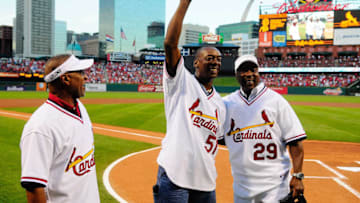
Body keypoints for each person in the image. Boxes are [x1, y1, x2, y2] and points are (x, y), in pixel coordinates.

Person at [153, 0, 226, 202]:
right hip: (176, 177)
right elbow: (169, 43)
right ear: (195, 63)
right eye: (209, 58)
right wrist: (185, 2)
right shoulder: (181, 81)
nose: (215, 62)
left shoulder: (220, 103)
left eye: (218, 59)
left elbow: (220, 138)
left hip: (206, 183)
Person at [222, 55, 306, 202]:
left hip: (274, 186)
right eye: (243, 70)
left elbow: (295, 141)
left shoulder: (276, 101)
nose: (248, 74)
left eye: (252, 70)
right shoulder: (227, 103)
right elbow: (219, 137)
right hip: (242, 185)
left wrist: (297, 176)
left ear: (258, 72)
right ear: (236, 74)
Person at [20, 54, 100, 203]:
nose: (86, 78)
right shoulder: (40, 127)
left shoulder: (80, 107)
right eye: (81, 73)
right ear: (66, 79)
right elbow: (34, 189)